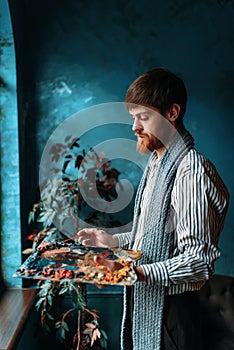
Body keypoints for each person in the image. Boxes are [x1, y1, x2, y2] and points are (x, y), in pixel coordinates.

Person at [77, 68, 229, 350]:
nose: (134, 126)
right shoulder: (158, 164)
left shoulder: (190, 171)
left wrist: (134, 272)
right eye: (133, 117)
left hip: (176, 313)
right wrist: (113, 242)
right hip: (148, 301)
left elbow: (198, 262)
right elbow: (154, 236)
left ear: (172, 113)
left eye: (143, 117)